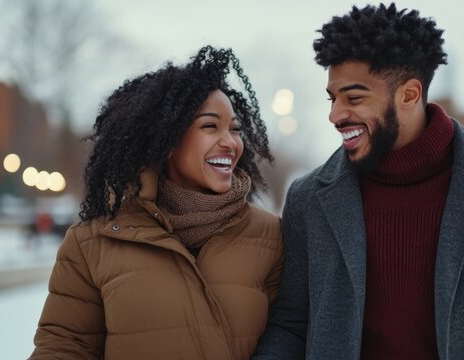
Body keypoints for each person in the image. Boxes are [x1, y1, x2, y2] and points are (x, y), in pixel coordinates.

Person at [253, 3, 464, 359]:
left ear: (409, 95)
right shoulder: (309, 200)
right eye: (333, 98)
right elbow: (291, 326)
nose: (334, 115)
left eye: (354, 97)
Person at [30, 46, 283, 360]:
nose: (231, 142)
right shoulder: (91, 242)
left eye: (235, 129)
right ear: (166, 141)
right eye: (209, 126)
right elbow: (63, 348)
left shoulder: (270, 235)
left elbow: (287, 337)